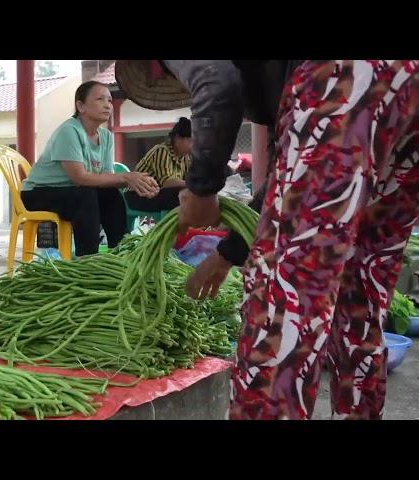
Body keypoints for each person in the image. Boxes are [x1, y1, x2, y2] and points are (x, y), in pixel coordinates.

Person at [116, 59, 419, 420]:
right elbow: (286, 185)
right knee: (359, 290)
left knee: (283, 302)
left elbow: (217, 85)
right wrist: (226, 253)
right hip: (408, 92)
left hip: (346, 77)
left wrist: (201, 194)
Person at [21, 80, 159, 256]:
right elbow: (79, 177)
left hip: (71, 192)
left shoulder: (106, 136)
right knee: (85, 196)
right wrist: (125, 177)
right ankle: (88, 259)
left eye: (109, 100)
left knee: (110, 194)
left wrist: (138, 183)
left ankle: (121, 252)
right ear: (81, 106)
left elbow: (106, 178)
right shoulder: (69, 131)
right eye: (100, 99)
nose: (107, 105)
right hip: (37, 194)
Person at [124, 117, 192, 212]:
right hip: (137, 195)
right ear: (177, 138)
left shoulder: (185, 158)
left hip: (156, 193)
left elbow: (188, 179)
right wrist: (194, 184)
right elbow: (167, 183)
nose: (193, 145)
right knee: (179, 194)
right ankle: (173, 225)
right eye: (190, 141)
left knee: (193, 194)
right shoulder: (162, 151)